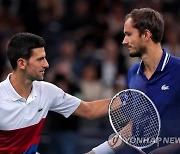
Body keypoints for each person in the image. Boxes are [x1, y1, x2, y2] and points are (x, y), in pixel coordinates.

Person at [86, 7, 180, 154]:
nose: (124, 41)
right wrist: (96, 152)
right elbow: (132, 128)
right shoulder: (132, 74)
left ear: (146, 35)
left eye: (129, 34)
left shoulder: (178, 70)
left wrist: (168, 149)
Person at [0, 32, 110, 154]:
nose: (46, 64)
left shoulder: (48, 91)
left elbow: (89, 110)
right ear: (21, 63)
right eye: (40, 59)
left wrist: (127, 99)